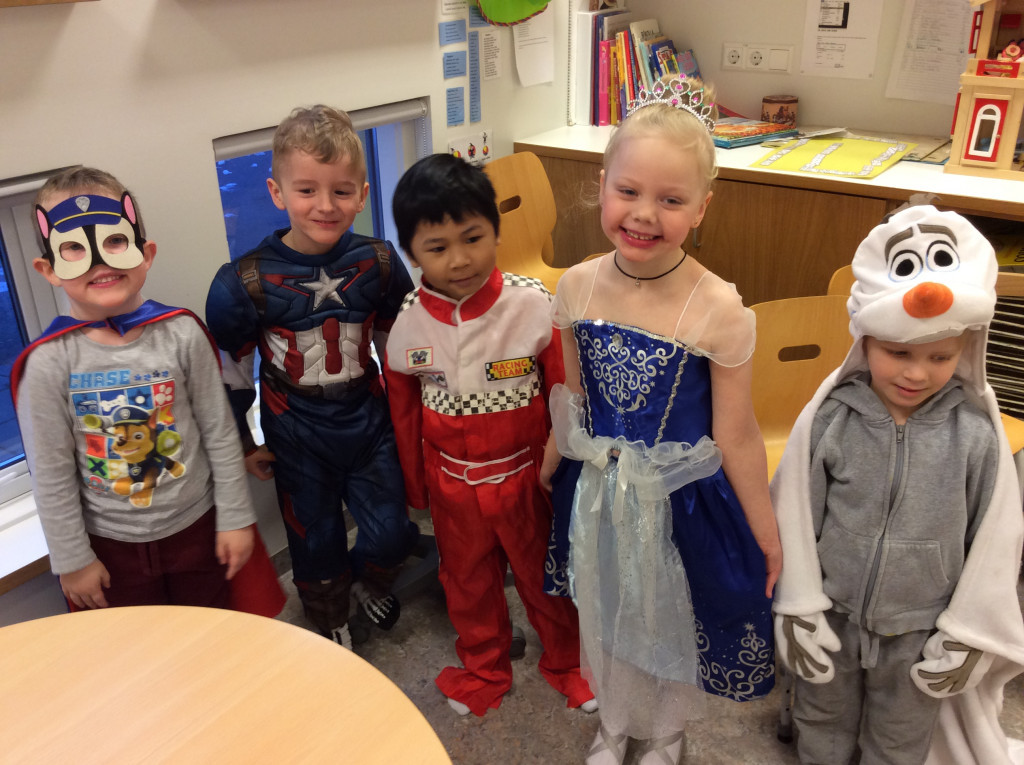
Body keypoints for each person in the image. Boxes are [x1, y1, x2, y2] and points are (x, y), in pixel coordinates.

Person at [544, 76, 781, 765]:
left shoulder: (719, 308)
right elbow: (575, 395)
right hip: (598, 489)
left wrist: (766, 532)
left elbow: (737, 431)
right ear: (603, 185)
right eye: (629, 191)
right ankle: (615, 722)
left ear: (702, 207)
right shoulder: (576, 286)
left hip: (681, 498)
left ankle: (668, 731)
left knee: (673, 613)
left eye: (671, 200)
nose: (644, 214)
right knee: (606, 605)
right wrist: (552, 463)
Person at [771, 204, 1024, 765]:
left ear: (965, 350)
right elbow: (795, 517)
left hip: (919, 630)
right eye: (898, 352)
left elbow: (993, 540)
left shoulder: (975, 435)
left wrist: (969, 631)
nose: (916, 372)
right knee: (821, 720)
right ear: (865, 341)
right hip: (834, 616)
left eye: (939, 357)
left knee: (900, 738)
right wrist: (797, 605)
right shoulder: (833, 420)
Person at [13, 166, 284, 616]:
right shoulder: (48, 363)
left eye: (115, 241)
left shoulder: (182, 334)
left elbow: (219, 433)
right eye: (74, 247)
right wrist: (72, 558)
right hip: (110, 547)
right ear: (49, 269)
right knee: (137, 648)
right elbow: (51, 473)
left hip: (197, 528)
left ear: (146, 253)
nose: (99, 261)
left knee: (211, 631)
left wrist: (236, 517)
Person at [383, 153, 596, 717]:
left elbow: (564, 394)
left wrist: (565, 472)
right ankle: (483, 669)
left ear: (496, 232)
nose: (459, 260)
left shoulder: (532, 304)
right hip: (452, 488)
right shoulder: (407, 322)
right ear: (412, 254)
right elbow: (403, 412)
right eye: (437, 248)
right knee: (467, 583)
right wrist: (415, 488)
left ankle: (568, 663)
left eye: (473, 238)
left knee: (546, 577)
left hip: (527, 478)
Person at [205, 105, 419, 648]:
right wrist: (244, 442)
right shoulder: (244, 281)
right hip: (295, 431)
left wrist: (413, 419)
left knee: (392, 533)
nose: (325, 205)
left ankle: (368, 583)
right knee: (314, 539)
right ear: (277, 192)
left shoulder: (380, 261)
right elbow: (229, 375)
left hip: (368, 421)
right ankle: (330, 616)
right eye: (306, 190)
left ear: (363, 195)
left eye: (341, 191)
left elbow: (400, 348)